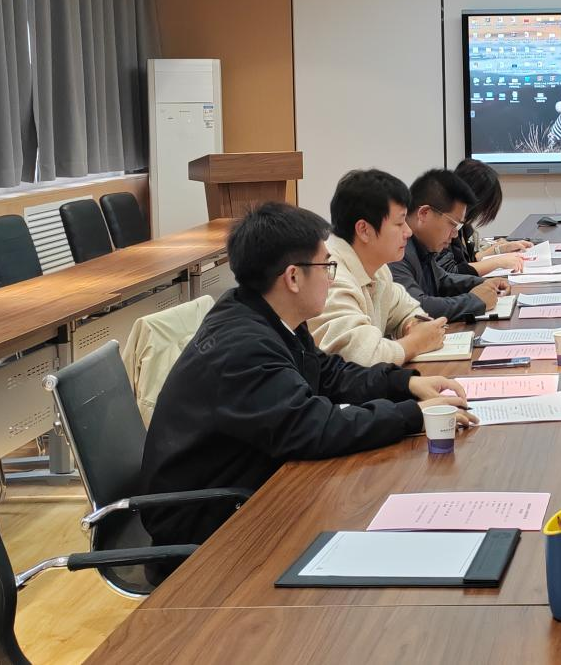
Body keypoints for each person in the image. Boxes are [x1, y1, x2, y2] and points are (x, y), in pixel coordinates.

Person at [140, 203, 475, 568]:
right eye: (326, 267)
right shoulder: (243, 348)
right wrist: (412, 415)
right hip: (210, 526)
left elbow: (329, 374)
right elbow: (315, 428)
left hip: (255, 488)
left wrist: (406, 385)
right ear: (293, 278)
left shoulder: (266, 314)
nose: (332, 279)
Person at [309, 169, 450, 366]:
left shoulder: (377, 268)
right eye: (399, 223)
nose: (408, 232)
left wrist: (412, 325)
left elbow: (407, 309)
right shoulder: (330, 275)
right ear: (364, 230)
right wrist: (417, 342)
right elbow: (361, 358)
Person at [390, 168, 510, 321]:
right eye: (453, 224)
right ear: (424, 213)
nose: (454, 235)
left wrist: (486, 283)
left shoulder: (421, 245)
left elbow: (443, 281)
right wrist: (474, 301)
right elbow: (417, 307)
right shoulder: (397, 249)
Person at [439, 158, 531, 277]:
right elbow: (450, 273)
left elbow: (470, 260)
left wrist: (499, 250)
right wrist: (497, 262)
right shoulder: (443, 222)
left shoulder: (462, 224)